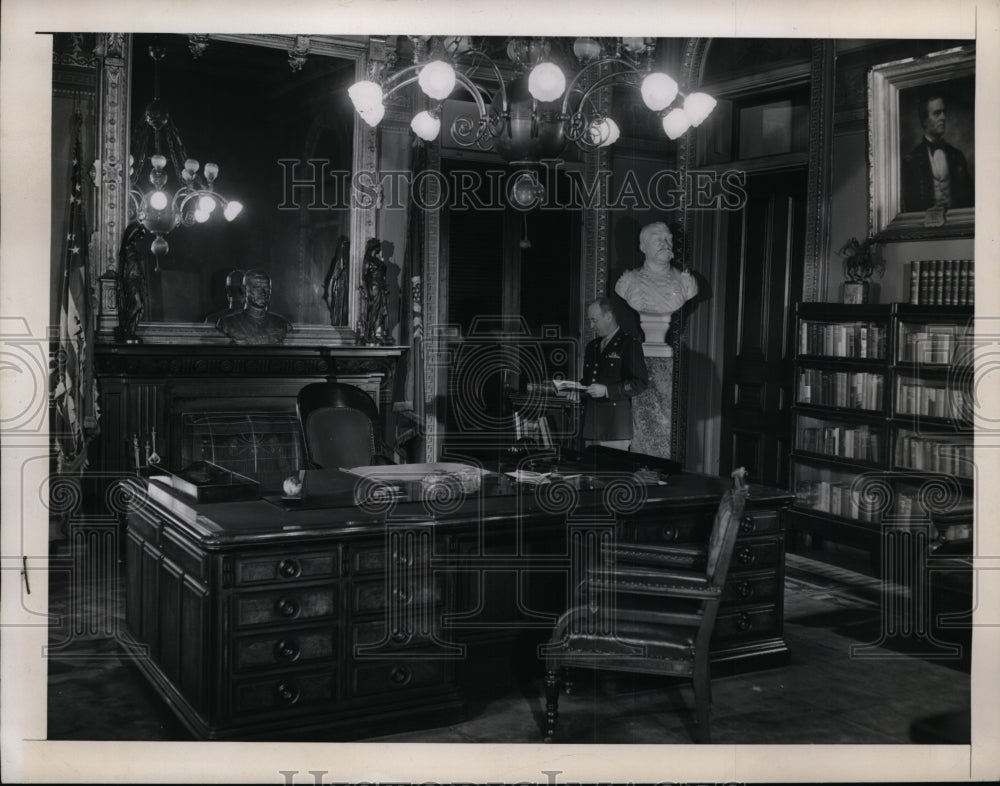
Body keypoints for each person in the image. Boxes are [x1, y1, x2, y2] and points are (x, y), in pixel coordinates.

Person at [578, 296, 649, 451]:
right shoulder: (593, 346)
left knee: (612, 474)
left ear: (608, 317)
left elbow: (640, 382)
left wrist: (607, 391)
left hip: (615, 426)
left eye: (594, 320)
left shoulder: (629, 344)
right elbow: (589, 381)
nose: (591, 326)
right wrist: (575, 390)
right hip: (591, 425)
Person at [614, 222, 698, 338]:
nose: (666, 244)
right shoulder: (627, 281)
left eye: (669, 239)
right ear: (643, 247)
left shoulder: (686, 282)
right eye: (658, 240)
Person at [900, 93, 973, 212]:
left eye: (944, 112)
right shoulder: (911, 160)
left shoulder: (957, 156)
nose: (943, 117)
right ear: (924, 121)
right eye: (937, 113)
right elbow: (910, 204)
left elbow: (970, 198)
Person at [216, 269, 292, 345]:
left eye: (267, 287)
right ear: (244, 289)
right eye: (257, 287)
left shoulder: (283, 324)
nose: (263, 292)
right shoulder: (227, 323)